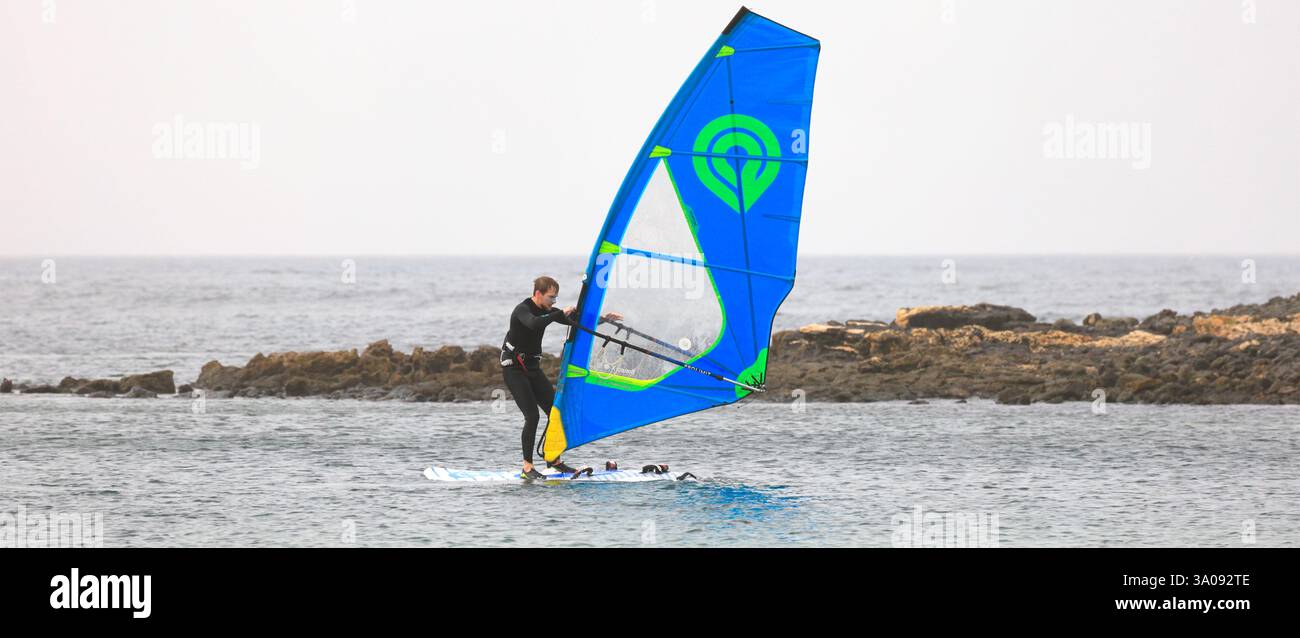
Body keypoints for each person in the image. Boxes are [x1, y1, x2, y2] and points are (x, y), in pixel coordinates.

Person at [502, 275, 620, 479]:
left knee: (555, 412)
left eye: (556, 298)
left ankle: (553, 460)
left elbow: (579, 323)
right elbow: (533, 324)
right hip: (514, 369)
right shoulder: (523, 309)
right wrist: (558, 314)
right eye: (551, 298)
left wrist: (604, 320)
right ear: (538, 294)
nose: (554, 302)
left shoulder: (549, 311)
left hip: (532, 368)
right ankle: (527, 467)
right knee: (532, 416)